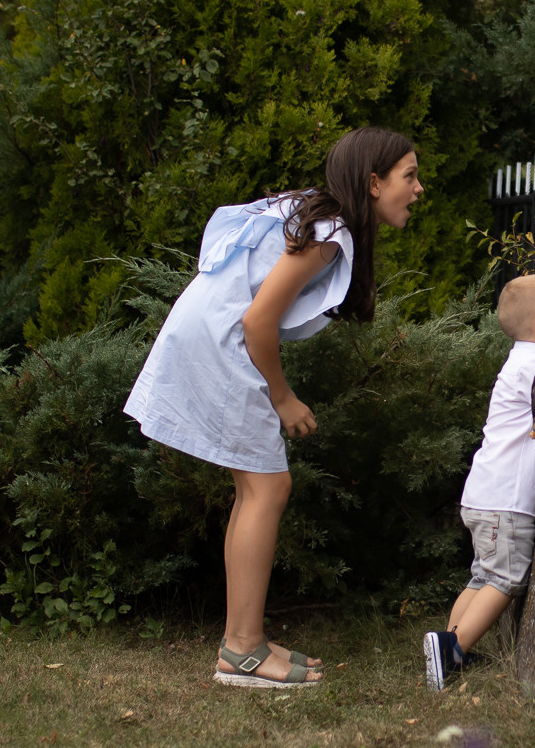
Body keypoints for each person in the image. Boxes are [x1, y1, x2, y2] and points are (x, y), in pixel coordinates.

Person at [124, 126, 423, 689]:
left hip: (208, 335)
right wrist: (282, 397)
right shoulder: (329, 230)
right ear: (374, 181)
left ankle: (244, 642)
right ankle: (241, 651)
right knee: (268, 487)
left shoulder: (316, 214)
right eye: (410, 176)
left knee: (256, 487)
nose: (418, 187)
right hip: (224, 343)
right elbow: (258, 320)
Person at [424, 273, 535, 690]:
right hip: (506, 501)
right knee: (505, 580)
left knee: (482, 577)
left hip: (484, 494)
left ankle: (450, 644)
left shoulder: (529, 363)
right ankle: (452, 650)